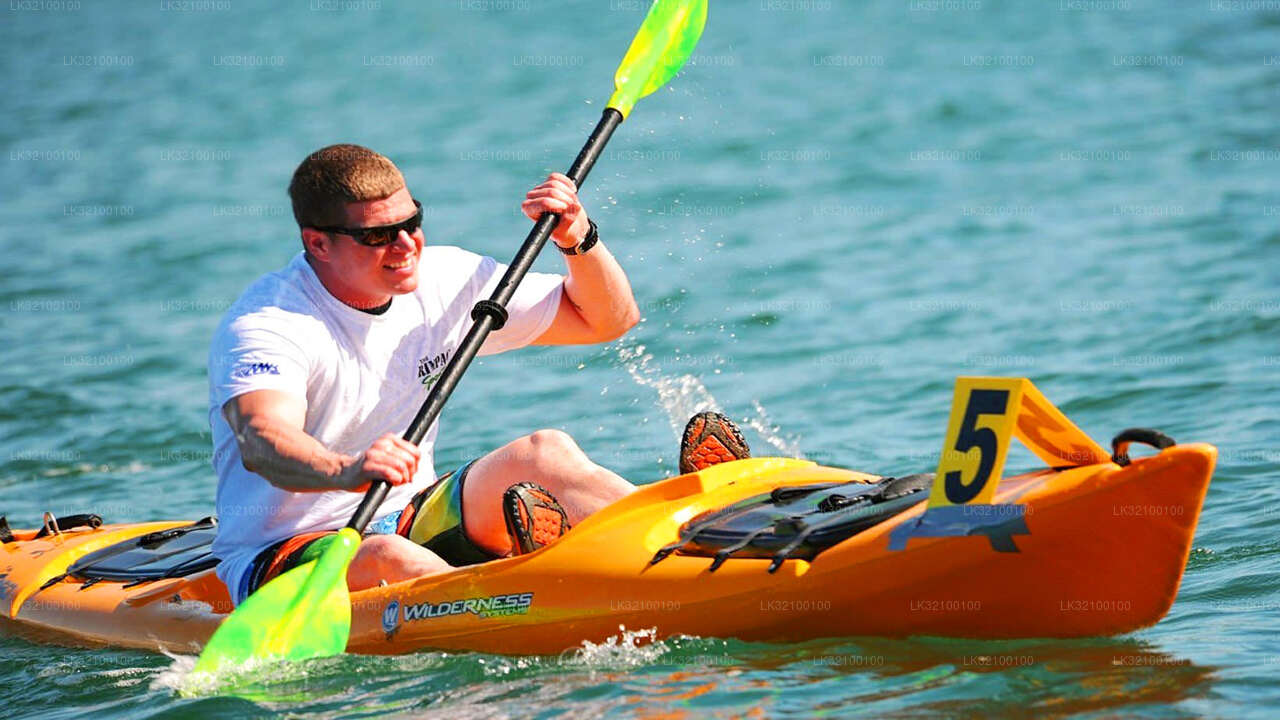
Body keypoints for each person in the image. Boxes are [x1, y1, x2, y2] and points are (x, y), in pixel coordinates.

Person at [208, 144, 750, 605]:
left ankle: (696, 537)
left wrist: (578, 240)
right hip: (285, 550)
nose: (405, 246)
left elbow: (608, 320)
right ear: (318, 243)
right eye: (378, 236)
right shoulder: (270, 325)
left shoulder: (444, 277)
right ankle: (532, 595)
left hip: (406, 512)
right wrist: (346, 469)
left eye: (411, 222)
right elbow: (264, 441)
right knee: (388, 556)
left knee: (545, 452)